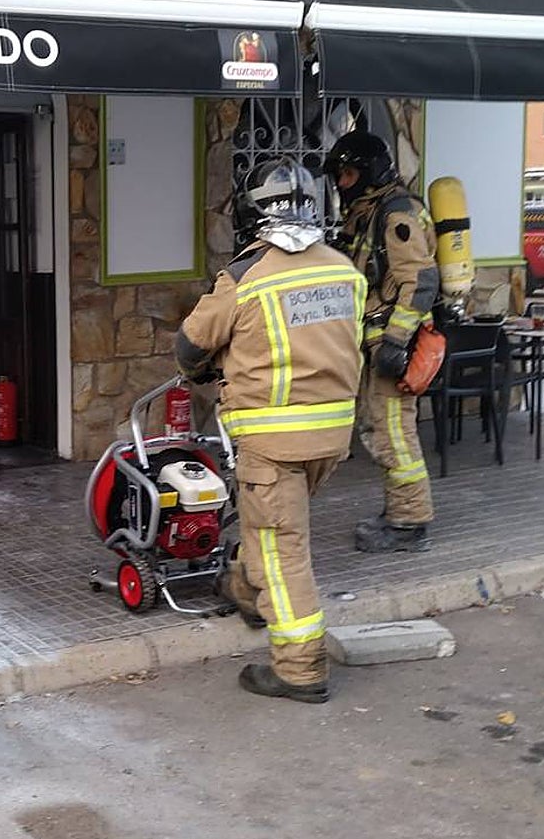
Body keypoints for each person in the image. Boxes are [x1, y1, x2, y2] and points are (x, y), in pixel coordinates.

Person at [176, 157, 365, 704]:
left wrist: (202, 371)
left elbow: (191, 346)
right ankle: (247, 592)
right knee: (271, 526)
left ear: (252, 211)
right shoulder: (343, 269)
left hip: (273, 439)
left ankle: (300, 666)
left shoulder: (246, 276)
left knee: (284, 550)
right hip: (331, 435)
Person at [323, 131, 439, 553]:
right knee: (380, 428)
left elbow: (421, 282)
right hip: (378, 345)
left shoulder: (395, 214)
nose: (342, 183)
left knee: (394, 432)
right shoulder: (369, 212)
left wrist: (396, 341)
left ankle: (409, 522)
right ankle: (400, 513)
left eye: (349, 173)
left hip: (395, 346)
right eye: (340, 175)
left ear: (371, 172)